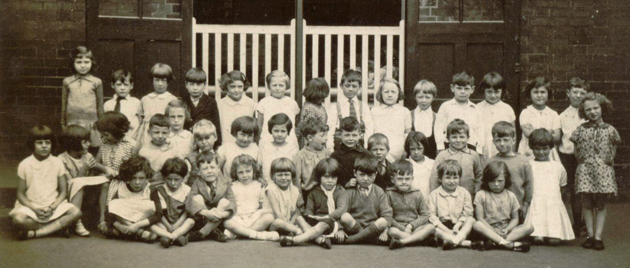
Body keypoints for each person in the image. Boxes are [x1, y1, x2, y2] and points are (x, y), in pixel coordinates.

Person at [10, 125, 82, 239]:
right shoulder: (25, 164)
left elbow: (63, 191)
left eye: (47, 143)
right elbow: (20, 194)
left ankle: (36, 233)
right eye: (39, 143)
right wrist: (34, 209)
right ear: (32, 144)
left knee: (76, 212)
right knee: (18, 219)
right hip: (31, 206)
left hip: (52, 206)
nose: (44, 146)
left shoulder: (57, 162)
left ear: (52, 144)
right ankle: (57, 228)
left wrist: (52, 208)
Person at [571, 93, 620, 251]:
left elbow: (614, 145)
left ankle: (598, 237)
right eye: (588, 109)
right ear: (583, 112)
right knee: (586, 203)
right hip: (586, 170)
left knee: (600, 204)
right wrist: (580, 160)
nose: (592, 112)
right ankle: (590, 236)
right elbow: (575, 146)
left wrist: (610, 159)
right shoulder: (581, 129)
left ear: (602, 108)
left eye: (595, 108)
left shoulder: (610, 129)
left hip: (602, 171)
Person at [280, 158, 347, 249]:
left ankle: (295, 240)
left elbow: (341, 210)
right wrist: (312, 217)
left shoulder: (341, 191)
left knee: (324, 223)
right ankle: (319, 239)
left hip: (333, 223)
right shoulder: (314, 192)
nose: (330, 181)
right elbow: (308, 212)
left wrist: (339, 228)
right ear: (319, 177)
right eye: (326, 177)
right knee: (299, 218)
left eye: (333, 177)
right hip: (316, 223)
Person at [58, 125, 109, 236]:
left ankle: (102, 219)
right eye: (85, 142)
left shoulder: (87, 156)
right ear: (73, 144)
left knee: (104, 182)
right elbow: (71, 184)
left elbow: (96, 168)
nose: (89, 145)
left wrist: (107, 170)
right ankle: (77, 222)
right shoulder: (61, 160)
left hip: (87, 195)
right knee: (79, 185)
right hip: (70, 196)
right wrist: (84, 169)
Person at [526, 129, 575, 245]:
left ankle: (554, 233)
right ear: (532, 148)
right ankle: (538, 232)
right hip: (536, 202)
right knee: (537, 239)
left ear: (550, 148)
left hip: (552, 202)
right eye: (537, 149)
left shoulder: (557, 166)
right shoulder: (528, 164)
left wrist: (558, 200)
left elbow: (563, 185)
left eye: (544, 149)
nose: (541, 152)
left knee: (554, 241)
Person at [472, 162, 533, 252]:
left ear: (506, 180)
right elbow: (480, 218)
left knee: (529, 227)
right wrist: (493, 231)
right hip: (488, 231)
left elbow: (515, 219)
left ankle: (496, 243)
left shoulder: (511, 196)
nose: (496, 184)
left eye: (500, 181)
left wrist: (507, 229)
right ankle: (507, 244)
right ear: (486, 180)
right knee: (477, 225)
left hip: (506, 231)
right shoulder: (481, 194)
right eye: (492, 181)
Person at [95, 111, 137, 234]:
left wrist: (119, 173)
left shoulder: (131, 145)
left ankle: (116, 223)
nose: (104, 138)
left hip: (124, 179)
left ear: (116, 132)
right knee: (105, 184)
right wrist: (105, 169)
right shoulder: (104, 144)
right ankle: (103, 219)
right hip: (106, 177)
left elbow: (134, 168)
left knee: (115, 188)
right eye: (102, 135)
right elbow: (95, 162)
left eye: (106, 134)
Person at [335, 155, 392, 245]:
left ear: (375, 175)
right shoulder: (350, 191)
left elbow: (387, 213)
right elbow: (340, 211)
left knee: (382, 221)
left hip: (373, 227)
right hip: (354, 227)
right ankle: (369, 239)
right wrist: (340, 229)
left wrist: (385, 231)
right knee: (345, 216)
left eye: (370, 175)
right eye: (362, 175)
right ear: (355, 173)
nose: (365, 179)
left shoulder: (379, 191)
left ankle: (353, 239)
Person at [427, 160, 482, 250]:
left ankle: (455, 240)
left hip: (460, 226)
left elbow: (468, 213)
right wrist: (447, 230)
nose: (452, 181)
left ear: (459, 178)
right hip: (442, 226)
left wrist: (458, 225)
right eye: (448, 178)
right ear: (440, 179)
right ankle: (465, 243)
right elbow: (432, 216)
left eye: (455, 178)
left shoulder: (464, 193)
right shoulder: (434, 194)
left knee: (471, 220)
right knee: (432, 229)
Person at [223, 155, 278, 241]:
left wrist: (257, 215)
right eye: (240, 172)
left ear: (254, 171)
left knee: (269, 217)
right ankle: (257, 235)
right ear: (235, 173)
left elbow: (261, 205)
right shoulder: (233, 186)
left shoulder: (259, 185)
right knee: (227, 222)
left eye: (248, 171)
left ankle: (240, 233)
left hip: (254, 217)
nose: (245, 175)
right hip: (238, 217)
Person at [486, 121, 533, 222]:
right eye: (498, 140)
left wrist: (525, 205)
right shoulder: (490, 161)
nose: (502, 143)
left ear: (514, 140)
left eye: (506, 140)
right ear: (493, 141)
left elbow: (529, 185)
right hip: (495, 209)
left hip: (517, 209)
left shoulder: (523, 161)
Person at [559, 77, 588, 235]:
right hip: (567, 157)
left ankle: (579, 224)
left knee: (579, 191)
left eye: (582, 92)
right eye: (575, 92)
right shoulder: (563, 116)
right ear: (568, 93)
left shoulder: (588, 114)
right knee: (565, 190)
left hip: (583, 159)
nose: (578, 95)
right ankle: (562, 224)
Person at [61, 46, 104, 154]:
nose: (83, 65)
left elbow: (100, 105)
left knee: (91, 148)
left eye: (86, 62)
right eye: (79, 62)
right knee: (73, 147)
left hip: (91, 123)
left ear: (92, 62)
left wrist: (101, 123)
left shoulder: (96, 82)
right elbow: (64, 104)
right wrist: (63, 123)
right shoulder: (67, 81)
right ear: (73, 63)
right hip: (73, 122)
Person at [106, 156, 158, 243]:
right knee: (114, 203)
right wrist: (120, 226)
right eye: (133, 178)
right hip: (125, 221)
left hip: (142, 221)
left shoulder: (151, 189)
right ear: (127, 177)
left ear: (147, 178)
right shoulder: (121, 187)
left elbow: (158, 215)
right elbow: (109, 212)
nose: (137, 182)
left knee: (150, 206)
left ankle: (124, 233)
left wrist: (137, 226)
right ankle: (136, 233)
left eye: (141, 178)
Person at [387, 160, 436, 250]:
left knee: (431, 227)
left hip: (414, 227)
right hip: (398, 228)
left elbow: (424, 215)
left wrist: (411, 226)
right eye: (400, 179)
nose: (404, 182)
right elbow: (387, 216)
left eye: (407, 178)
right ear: (392, 179)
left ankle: (402, 242)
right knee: (392, 231)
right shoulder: (389, 194)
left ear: (412, 179)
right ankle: (417, 239)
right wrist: (402, 228)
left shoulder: (417, 193)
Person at [186, 153, 235, 242]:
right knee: (197, 198)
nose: (209, 171)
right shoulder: (197, 183)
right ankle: (213, 231)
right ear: (198, 172)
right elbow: (189, 202)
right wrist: (206, 213)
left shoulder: (225, 182)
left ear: (218, 168)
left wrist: (222, 214)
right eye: (205, 168)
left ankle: (202, 233)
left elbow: (232, 201)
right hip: (203, 218)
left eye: (212, 167)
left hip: (219, 218)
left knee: (225, 201)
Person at [429, 119, 484, 197]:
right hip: (446, 197)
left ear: (468, 138)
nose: (458, 140)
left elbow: (479, 176)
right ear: (447, 138)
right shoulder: (443, 155)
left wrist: (477, 192)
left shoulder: (474, 155)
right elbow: (435, 178)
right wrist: (434, 196)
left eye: (462, 137)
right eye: (454, 137)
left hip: (469, 196)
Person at [149, 158, 196, 248]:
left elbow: (187, 212)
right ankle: (174, 237)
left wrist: (177, 225)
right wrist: (168, 226)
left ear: (183, 178)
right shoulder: (160, 190)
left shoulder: (187, 190)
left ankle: (170, 237)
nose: (173, 183)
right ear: (164, 177)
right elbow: (160, 213)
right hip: (164, 222)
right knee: (152, 224)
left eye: (176, 179)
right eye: (169, 179)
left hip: (180, 222)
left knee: (190, 222)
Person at [434, 71, 484, 154]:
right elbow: (438, 127)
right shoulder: (446, 107)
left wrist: (479, 149)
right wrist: (440, 147)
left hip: (470, 147)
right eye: (459, 88)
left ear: (472, 89)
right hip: (450, 147)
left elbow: (480, 130)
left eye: (466, 88)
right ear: (452, 88)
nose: (463, 92)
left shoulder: (475, 109)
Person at [326, 69, 374, 149]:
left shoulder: (364, 106)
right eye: (347, 86)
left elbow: (369, 128)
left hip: (360, 146)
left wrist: (366, 147)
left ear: (360, 87)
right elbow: (330, 130)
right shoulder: (335, 107)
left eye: (354, 86)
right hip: (340, 146)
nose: (351, 89)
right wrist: (330, 148)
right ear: (341, 86)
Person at [517, 77, 561, 161]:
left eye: (543, 92)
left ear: (548, 93)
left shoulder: (553, 114)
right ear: (530, 94)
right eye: (535, 92)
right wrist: (549, 131)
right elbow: (528, 134)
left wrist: (534, 131)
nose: (539, 95)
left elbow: (557, 137)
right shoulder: (525, 113)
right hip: (528, 151)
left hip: (547, 152)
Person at [476, 72, 516, 160]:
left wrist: (511, 154)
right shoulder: (477, 108)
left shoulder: (507, 109)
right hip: (483, 150)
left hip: (502, 149)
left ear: (502, 91)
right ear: (484, 91)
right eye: (489, 92)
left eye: (497, 92)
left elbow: (513, 134)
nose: (493, 95)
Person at [137, 63, 178, 147]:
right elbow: (141, 123)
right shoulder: (145, 99)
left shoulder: (172, 99)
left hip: (165, 137)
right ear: (152, 80)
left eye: (163, 80)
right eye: (157, 80)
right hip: (147, 137)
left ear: (168, 81)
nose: (160, 84)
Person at [371, 78, 411, 161]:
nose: (390, 95)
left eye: (393, 92)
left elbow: (407, 133)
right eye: (386, 92)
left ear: (398, 93)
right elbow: (371, 131)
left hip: (399, 151)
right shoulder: (374, 110)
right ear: (381, 93)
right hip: (379, 152)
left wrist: (406, 151)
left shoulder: (404, 111)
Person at [257, 70, 300, 145]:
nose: (277, 88)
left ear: (286, 86)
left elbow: (296, 123)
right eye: (274, 85)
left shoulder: (292, 103)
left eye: (281, 85)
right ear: (269, 86)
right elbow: (259, 125)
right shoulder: (264, 102)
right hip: (268, 140)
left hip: (288, 140)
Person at [266, 158, 307, 236]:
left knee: (300, 218)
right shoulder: (271, 189)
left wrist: (290, 224)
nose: (283, 178)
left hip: (289, 223)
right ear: (273, 176)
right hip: (274, 224)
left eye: (287, 174)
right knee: (279, 222)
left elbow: (296, 211)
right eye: (280, 175)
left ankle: (316, 236)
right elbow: (276, 212)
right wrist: (289, 226)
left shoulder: (295, 190)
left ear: (292, 175)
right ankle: (301, 234)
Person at [183, 68, 221, 147]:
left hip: (204, 142)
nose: (195, 88)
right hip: (186, 142)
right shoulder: (182, 101)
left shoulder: (211, 102)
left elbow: (216, 125)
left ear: (205, 85)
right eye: (191, 84)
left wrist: (216, 145)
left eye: (199, 84)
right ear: (186, 84)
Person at [293, 117, 331, 197]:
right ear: (310, 138)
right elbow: (296, 181)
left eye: (326, 135)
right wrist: (299, 200)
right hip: (308, 194)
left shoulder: (328, 153)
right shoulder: (300, 156)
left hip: (326, 193)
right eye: (322, 135)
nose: (326, 138)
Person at [330, 117, 371, 188]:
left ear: (360, 134)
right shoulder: (335, 156)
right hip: (343, 190)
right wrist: (345, 184)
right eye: (347, 135)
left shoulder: (365, 153)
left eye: (354, 135)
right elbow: (333, 175)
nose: (350, 139)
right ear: (340, 135)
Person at [217, 70, 257, 145]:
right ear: (226, 87)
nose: (236, 90)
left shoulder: (251, 104)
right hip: (226, 143)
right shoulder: (220, 104)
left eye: (240, 87)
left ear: (244, 86)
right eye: (232, 87)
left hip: (245, 143)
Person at [259, 113, 299, 183]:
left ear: (288, 132)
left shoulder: (292, 148)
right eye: (276, 131)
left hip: (286, 185)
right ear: (271, 131)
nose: (279, 134)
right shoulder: (264, 147)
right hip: (267, 184)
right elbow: (259, 166)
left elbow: (295, 171)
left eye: (283, 131)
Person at [138, 114, 179, 183]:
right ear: (149, 132)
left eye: (164, 133)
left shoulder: (173, 150)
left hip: (169, 184)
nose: (160, 136)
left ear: (169, 133)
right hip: (150, 185)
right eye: (156, 132)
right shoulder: (144, 152)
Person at [103, 69, 142, 139]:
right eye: (119, 85)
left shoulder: (136, 102)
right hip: (113, 141)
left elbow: (141, 122)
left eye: (126, 85)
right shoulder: (108, 104)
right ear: (112, 85)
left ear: (131, 85)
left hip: (132, 139)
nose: (122, 88)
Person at [298, 78, 330, 149]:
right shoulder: (310, 108)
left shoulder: (319, 106)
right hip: (311, 141)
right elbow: (310, 128)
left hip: (319, 137)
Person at [410, 80, 438, 159]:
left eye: (427, 97)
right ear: (415, 97)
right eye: (420, 97)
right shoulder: (409, 115)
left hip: (432, 157)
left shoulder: (437, 117)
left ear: (433, 97)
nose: (423, 100)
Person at [186, 119, 218, 185]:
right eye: (200, 139)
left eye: (207, 138)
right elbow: (184, 180)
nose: (204, 142)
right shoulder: (191, 158)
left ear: (215, 137)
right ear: (195, 140)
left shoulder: (219, 155)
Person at [404, 131, 434, 199]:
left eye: (419, 148)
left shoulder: (432, 164)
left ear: (424, 147)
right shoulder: (405, 164)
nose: (416, 152)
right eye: (412, 149)